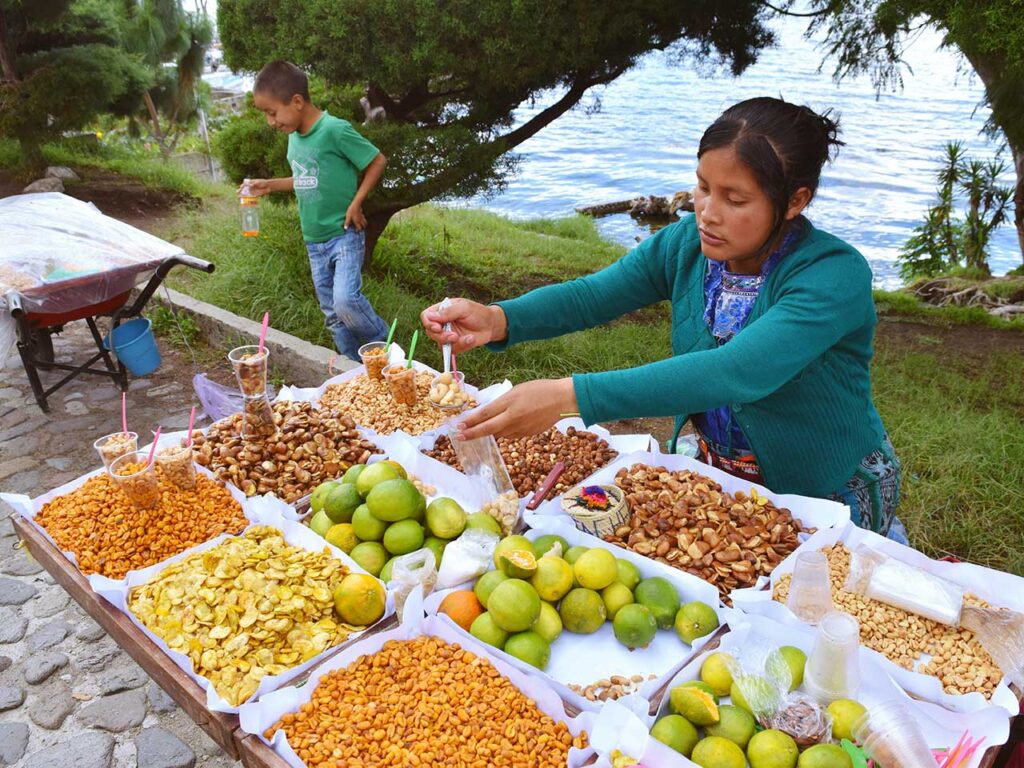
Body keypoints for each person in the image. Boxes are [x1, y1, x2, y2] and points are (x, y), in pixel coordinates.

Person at [421, 96, 905, 541]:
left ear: (795, 201)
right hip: (723, 478)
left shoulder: (831, 274)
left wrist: (569, 397)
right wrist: (499, 318)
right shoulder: (686, 246)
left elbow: (737, 370)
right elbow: (593, 295)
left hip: (824, 486)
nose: (707, 213)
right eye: (701, 187)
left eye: (734, 200)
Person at [244, 60, 390, 361]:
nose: (270, 122)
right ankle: (354, 370)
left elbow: (376, 161)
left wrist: (356, 202)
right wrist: (268, 185)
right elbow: (305, 180)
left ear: (296, 101)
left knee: (346, 301)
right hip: (314, 241)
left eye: (272, 112)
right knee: (333, 317)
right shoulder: (293, 140)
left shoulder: (334, 130)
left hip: (344, 233)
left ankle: (386, 349)